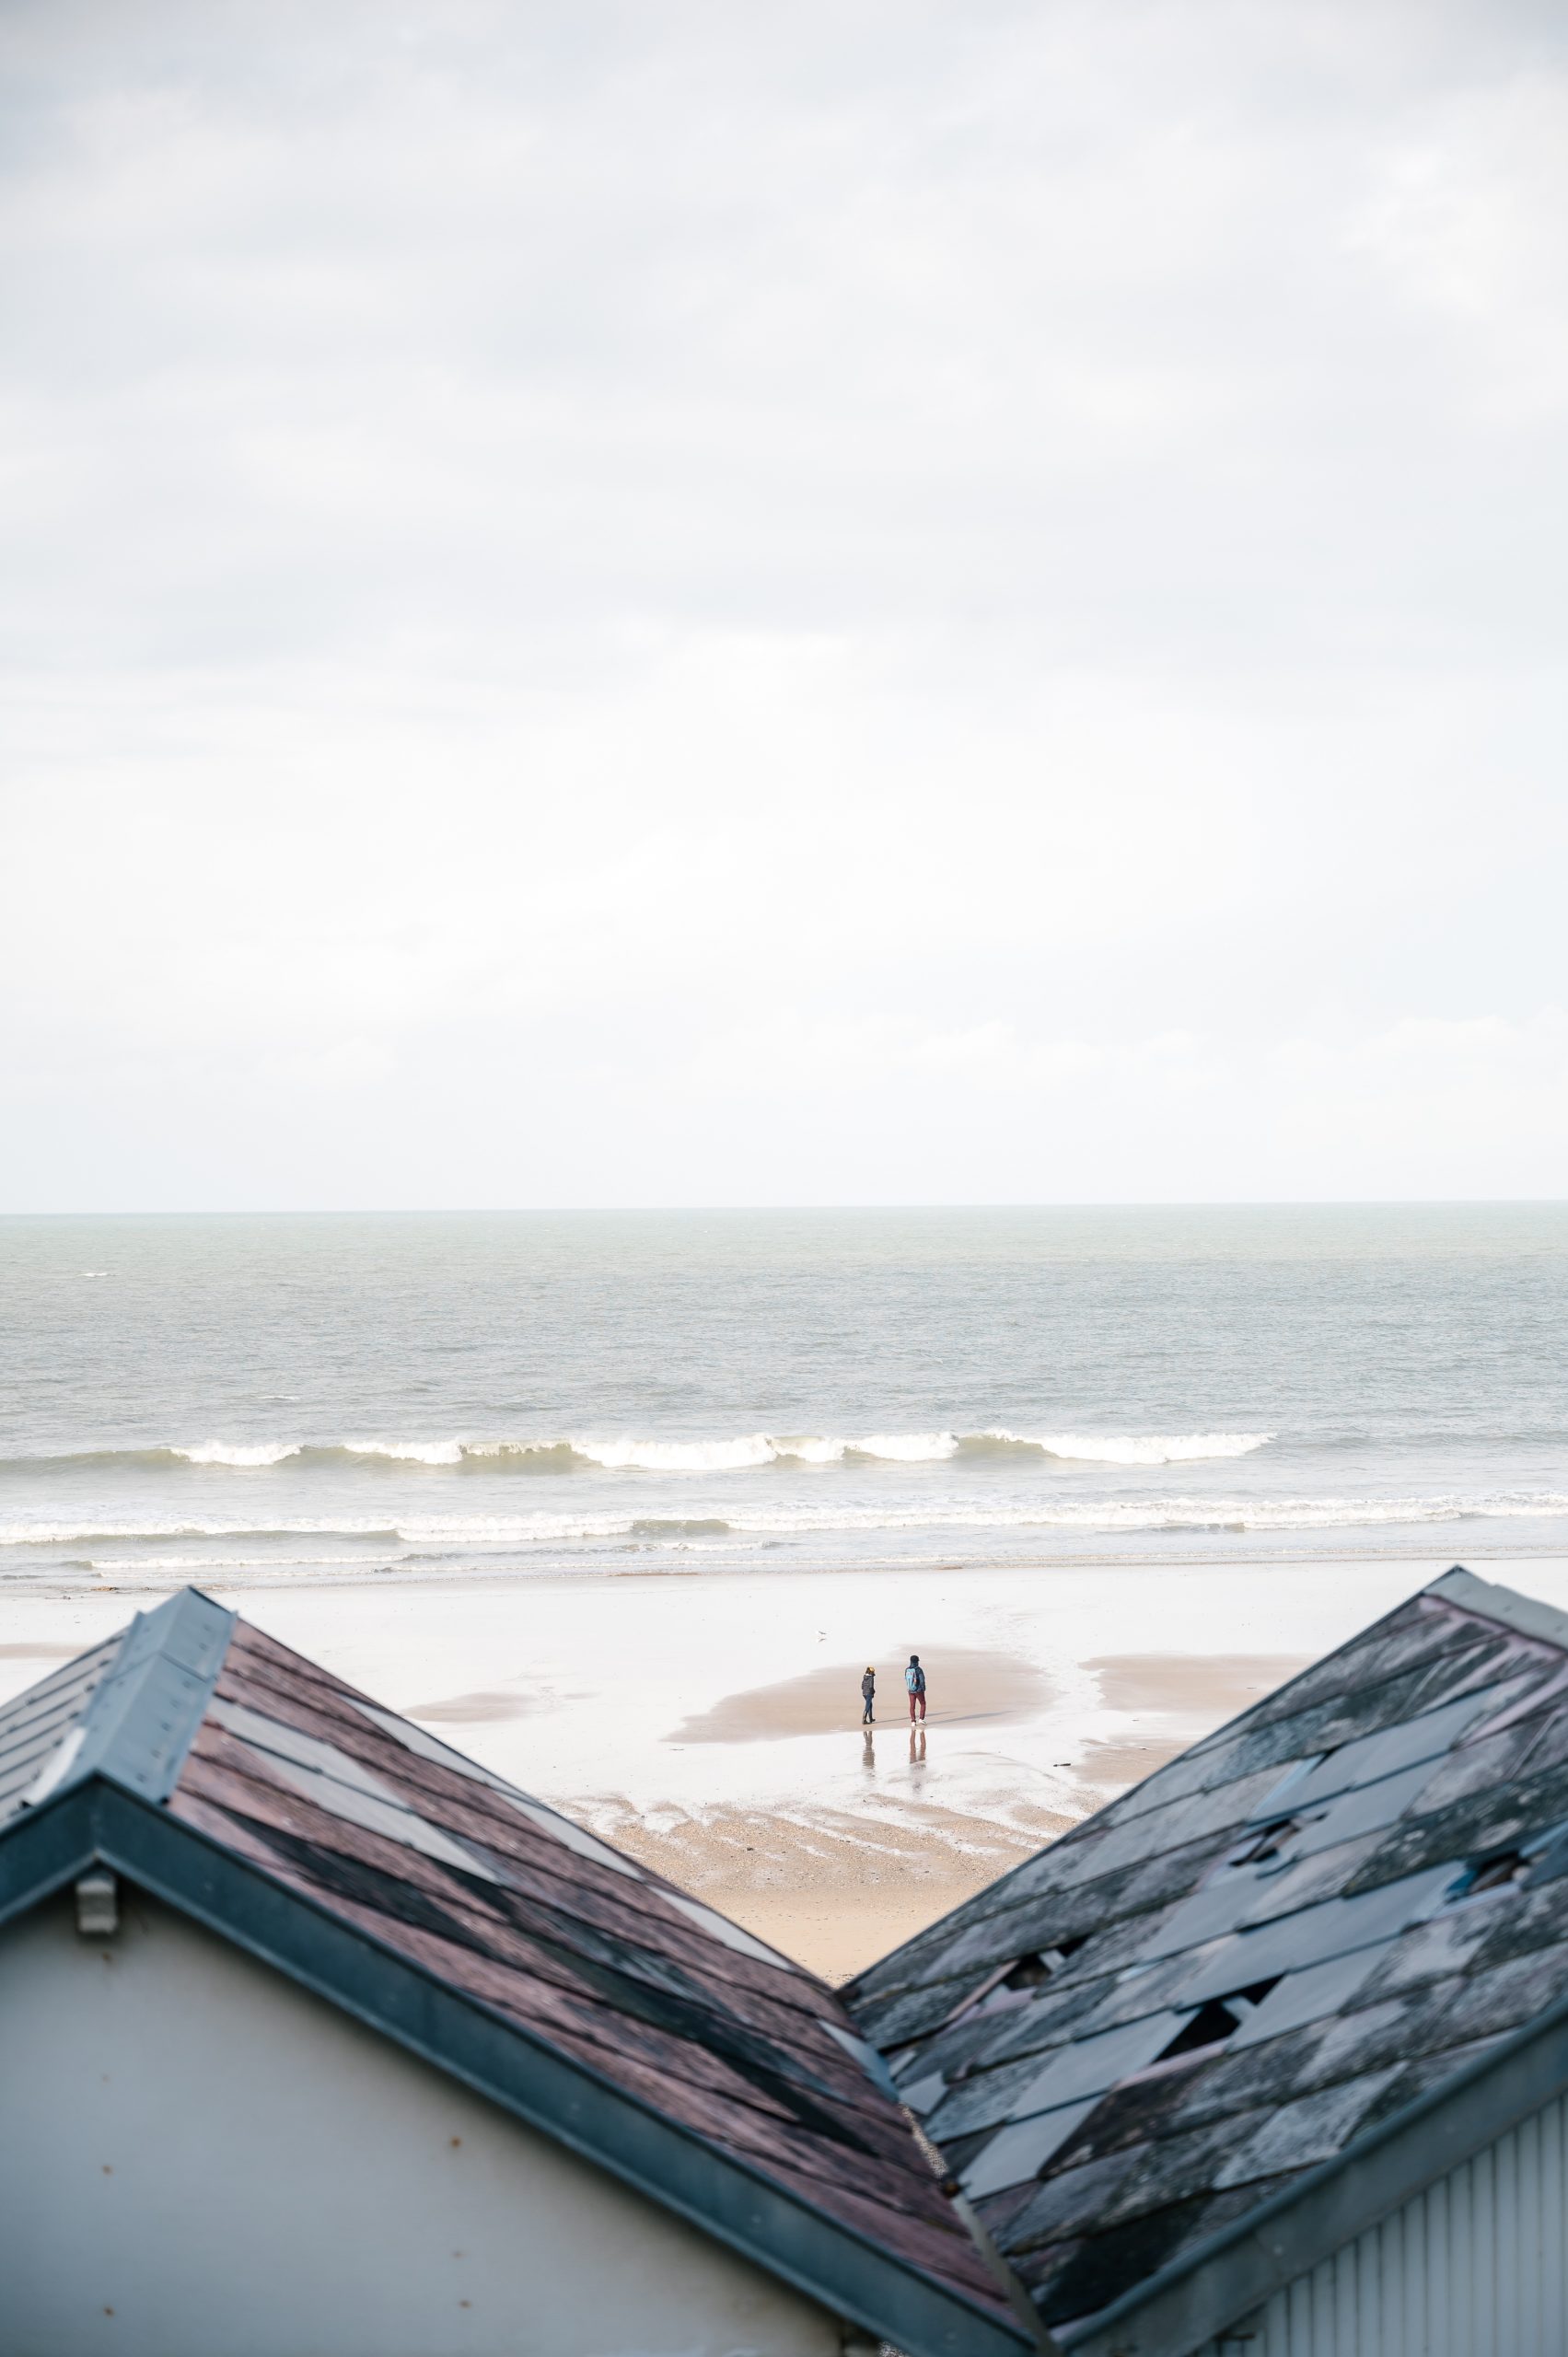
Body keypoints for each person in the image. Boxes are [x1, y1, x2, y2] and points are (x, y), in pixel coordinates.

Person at [905, 1653, 926, 1722]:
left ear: (910, 1661)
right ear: (917, 1661)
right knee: (923, 1703)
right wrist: (923, 1688)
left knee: (912, 1706)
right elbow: (922, 1680)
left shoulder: (907, 1669)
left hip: (910, 1690)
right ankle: (921, 1719)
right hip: (918, 1690)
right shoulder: (918, 1669)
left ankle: (913, 1721)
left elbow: (906, 1679)